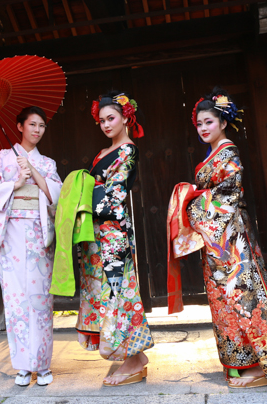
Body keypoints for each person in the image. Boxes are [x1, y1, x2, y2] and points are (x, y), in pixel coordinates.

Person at [167, 87, 267, 389]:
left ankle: (260, 365)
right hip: (216, 239)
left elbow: (228, 193)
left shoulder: (230, 152)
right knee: (223, 300)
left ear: (223, 122)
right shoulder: (215, 152)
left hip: (229, 236)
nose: (202, 128)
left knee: (241, 296)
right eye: (199, 124)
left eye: (208, 122)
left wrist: (192, 205)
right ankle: (239, 363)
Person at [0, 106, 62, 387]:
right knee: (16, 300)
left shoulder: (47, 163)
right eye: (32, 125)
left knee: (40, 300)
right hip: (12, 233)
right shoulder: (2, 159)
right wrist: (15, 184)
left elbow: (55, 196)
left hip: (39, 235)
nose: (37, 130)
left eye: (42, 126)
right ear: (19, 127)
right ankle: (24, 366)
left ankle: (43, 363)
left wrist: (34, 172)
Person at [77, 91, 154, 387]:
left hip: (113, 233)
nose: (106, 124)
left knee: (118, 292)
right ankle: (131, 357)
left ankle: (134, 358)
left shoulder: (128, 150)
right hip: (99, 234)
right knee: (107, 291)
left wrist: (83, 196)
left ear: (125, 118)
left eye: (111, 118)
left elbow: (114, 196)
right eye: (101, 120)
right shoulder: (103, 153)